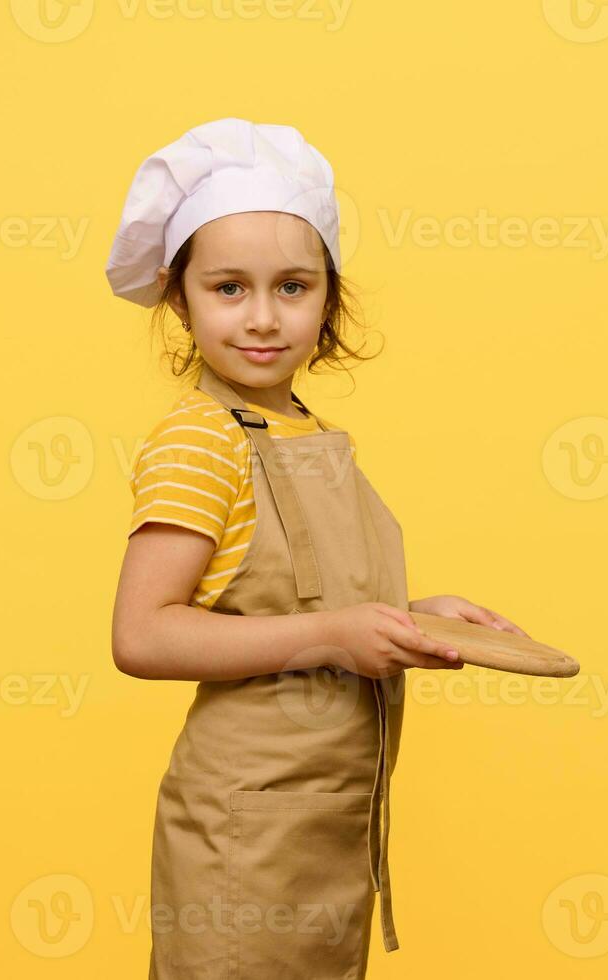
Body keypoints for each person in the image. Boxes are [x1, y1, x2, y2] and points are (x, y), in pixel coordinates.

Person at [106, 117, 529, 978]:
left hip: (323, 835)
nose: (262, 317)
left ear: (328, 298)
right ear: (177, 296)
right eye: (228, 288)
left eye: (292, 286)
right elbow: (142, 635)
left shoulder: (306, 432)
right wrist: (337, 638)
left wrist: (414, 619)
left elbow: (294, 604)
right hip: (243, 840)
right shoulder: (201, 442)